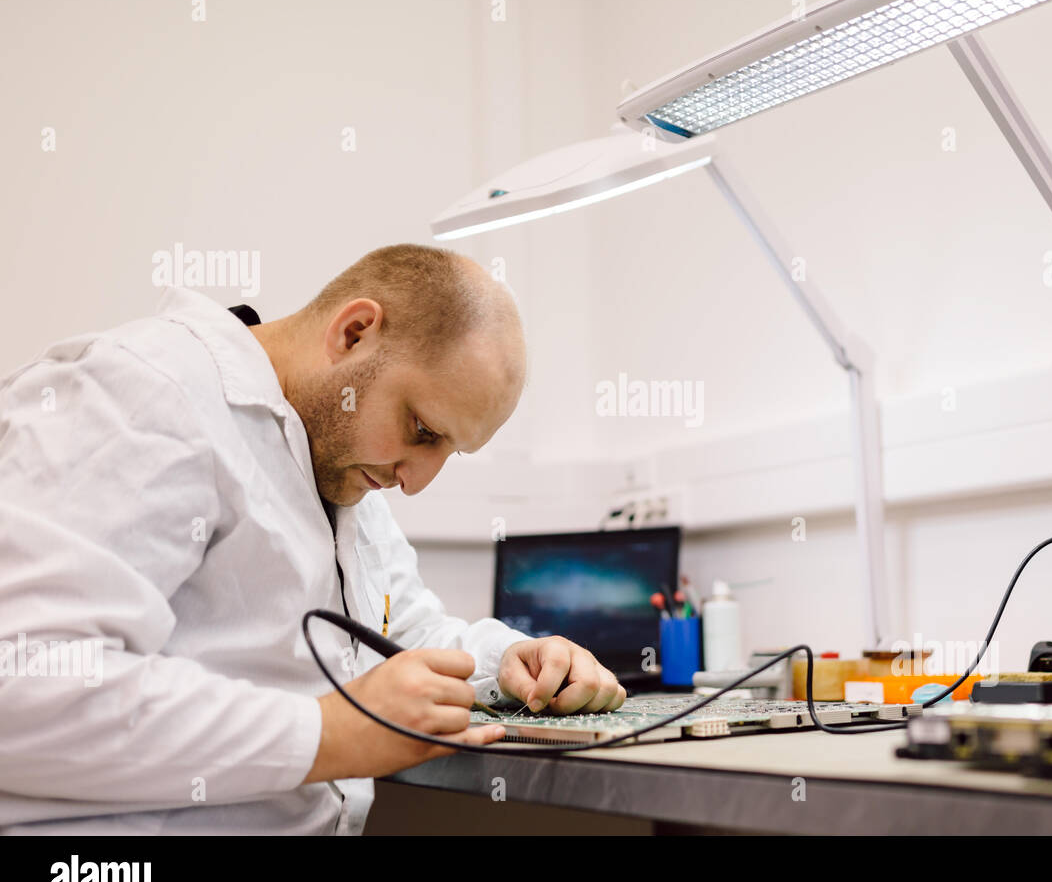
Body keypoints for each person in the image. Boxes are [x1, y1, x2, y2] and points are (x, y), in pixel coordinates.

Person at [0, 243, 624, 834]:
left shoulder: (339, 462)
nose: (416, 483)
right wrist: (324, 732)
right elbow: (27, 679)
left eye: (449, 452)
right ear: (353, 333)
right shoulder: (141, 392)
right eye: (422, 428)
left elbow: (393, 638)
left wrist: (510, 664)